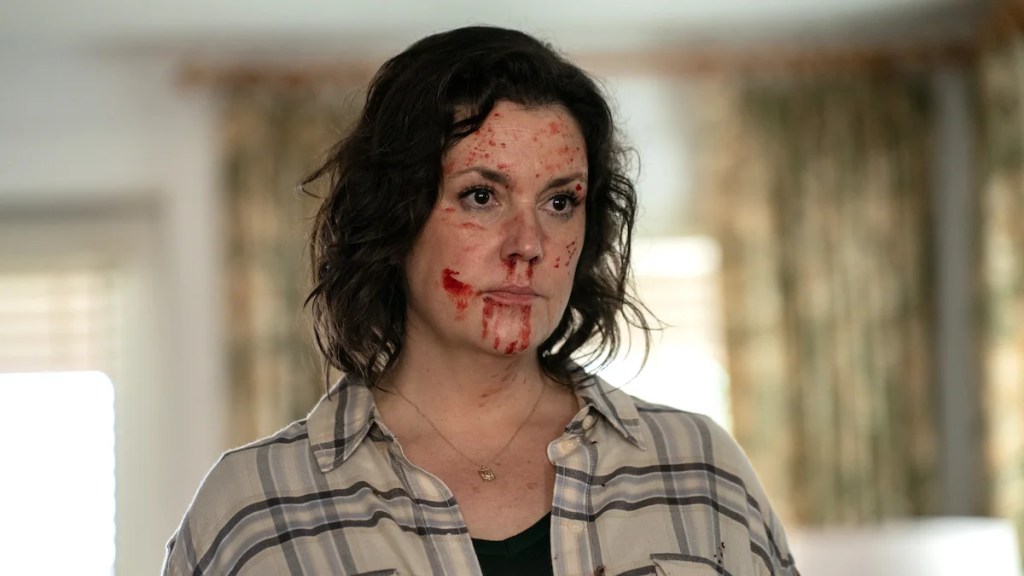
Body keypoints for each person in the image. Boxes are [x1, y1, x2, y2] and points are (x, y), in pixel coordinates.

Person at [163, 25, 799, 576]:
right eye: (481, 196)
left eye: (560, 202)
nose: (528, 244)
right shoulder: (251, 512)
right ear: (394, 216)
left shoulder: (701, 471)